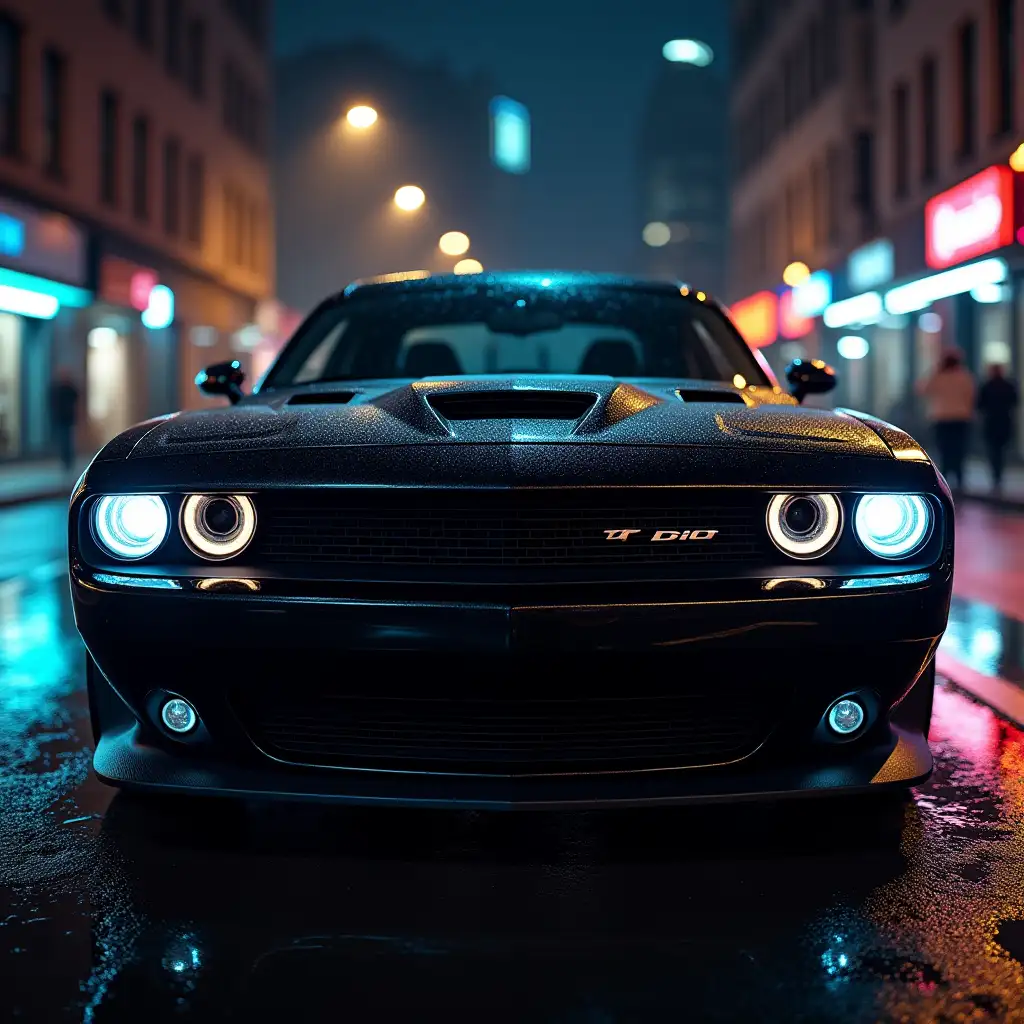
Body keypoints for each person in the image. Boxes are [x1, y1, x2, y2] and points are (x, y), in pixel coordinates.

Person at [916, 349, 976, 491]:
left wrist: (935, 370)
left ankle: (946, 478)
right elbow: (971, 395)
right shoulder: (965, 376)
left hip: (942, 418)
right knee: (959, 449)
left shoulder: (938, 376)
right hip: (961, 418)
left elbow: (922, 389)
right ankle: (959, 478)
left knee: (944, 449)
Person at [977, 363, 1019, 493]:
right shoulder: (1008, 385)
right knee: (1001, 449)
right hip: (1004, 421)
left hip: (991, 422)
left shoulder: (987, 385)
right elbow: (1015, 401)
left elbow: (980, 404)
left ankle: (996, 475)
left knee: (993, 450)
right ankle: (998, 475)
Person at [49, 367, 79, 475]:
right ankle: (64, 460)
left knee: (68, 440)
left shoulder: (70, 388)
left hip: (68, 418)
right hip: (61, 418)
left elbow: (76, 399)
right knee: (63, 440)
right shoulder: (58, 389)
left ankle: (69, 461)